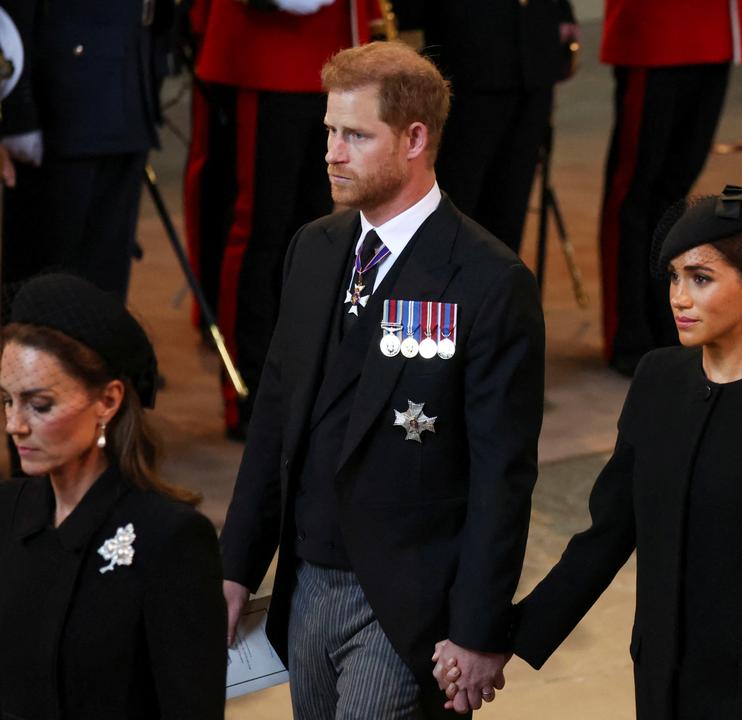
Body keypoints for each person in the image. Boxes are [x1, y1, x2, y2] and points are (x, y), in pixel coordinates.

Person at [434, 186, 742, 717]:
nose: (679, 298)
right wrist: (498, 637)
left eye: (701, 278)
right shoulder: (658, 380)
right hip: (661, 690)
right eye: (674, 278)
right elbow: (608, 534)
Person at [217, 41, 545, 718]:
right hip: (304, 584)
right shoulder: (315, 248)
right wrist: (235, 567)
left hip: (404, 605)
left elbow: (502, 474)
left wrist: (480, 627)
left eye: (356, 136)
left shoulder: (488, 281)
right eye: (331, 132)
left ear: (415, 138)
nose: (332, 153)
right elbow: (276, 418)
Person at [0, 273, 225, 719]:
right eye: (7, 401)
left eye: (39, 405)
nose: (15, 425)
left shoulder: (171, 540)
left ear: (108, 400)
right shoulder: (6, 512)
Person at [184, 0, 384, 438]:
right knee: (259, 231)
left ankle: (300, 377)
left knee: (315, 237)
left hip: (333, 57)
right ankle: (248, 386)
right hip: (266, 50)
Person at [596, 0, 742, 375]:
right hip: (657, 30)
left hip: (713, 32)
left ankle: (666, 318)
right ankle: (628, 329)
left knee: (674, 194)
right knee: (634, 194)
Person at [0, 0, 173, 297]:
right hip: (61, 106)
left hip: (131, 90)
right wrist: (17, 111)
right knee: (43, 285)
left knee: (106, 283)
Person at [410, 0, 578, 253]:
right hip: (466, 58)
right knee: (455, 206)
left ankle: (501, 290)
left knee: (511, 205)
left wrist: (562, 12)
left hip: (532, 55)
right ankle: (447, 290)